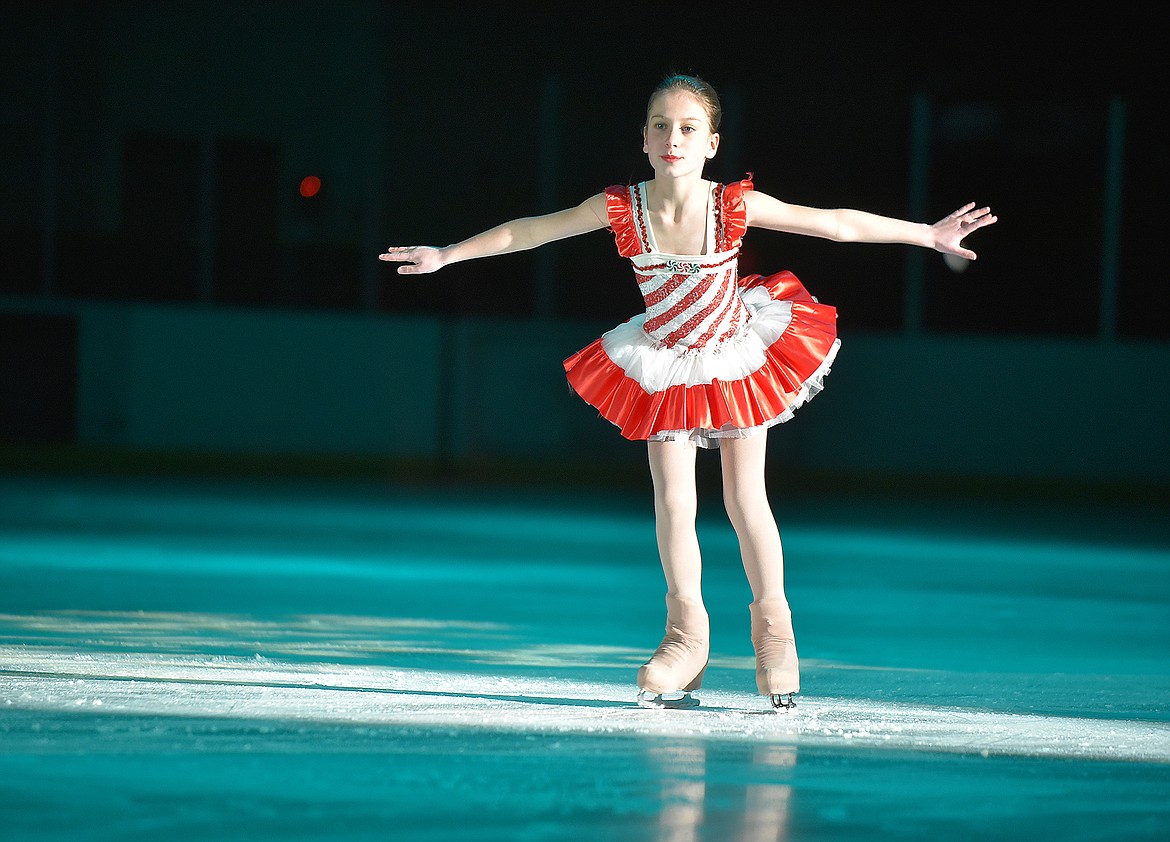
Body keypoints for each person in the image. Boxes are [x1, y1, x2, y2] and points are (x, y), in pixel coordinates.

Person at [380, 73, 996, 711]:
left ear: (712, 144)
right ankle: (687, 637)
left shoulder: (732, 205)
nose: (673, 139)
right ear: (643, 140)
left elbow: (834, 225)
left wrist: (927, 233)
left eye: (688, 128)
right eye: (661, 127)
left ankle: (775, 635)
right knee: (673, 503)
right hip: (664, 365)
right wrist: (448, 254)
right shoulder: (621, 207)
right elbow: (531, 231)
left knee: (743, 498)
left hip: (733, 359)